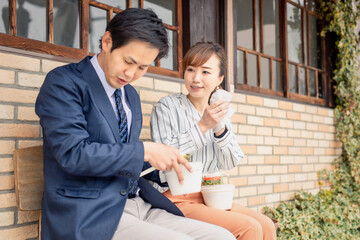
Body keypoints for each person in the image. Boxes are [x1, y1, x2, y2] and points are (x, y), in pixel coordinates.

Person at [35, 9, 235, 240]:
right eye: (128, 61)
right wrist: (146, 150)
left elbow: (123, 158)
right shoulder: (64, 83)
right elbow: (73, 154)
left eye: (143, 68)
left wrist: (164, 168)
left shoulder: (130, 95)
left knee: (221, 237)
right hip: (90, 212)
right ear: (107, 41)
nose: (131, 74)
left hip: (139, 204)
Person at [150, 42, 277, 240]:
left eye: (205, 72)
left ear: (220, 79)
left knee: (267, 225)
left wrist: (220, 128)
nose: (196, 78)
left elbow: (230, 162)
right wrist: (203, 126)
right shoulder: (167, 107)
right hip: (175, 196)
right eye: (191, 69)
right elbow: (164, 156)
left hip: (212, 195)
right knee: (249, 228)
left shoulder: (221, 113)